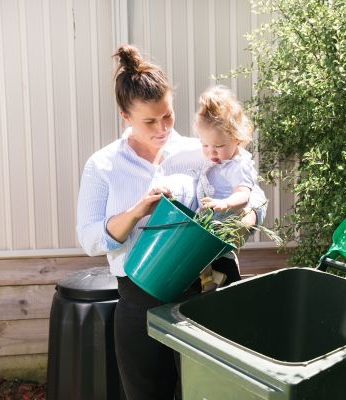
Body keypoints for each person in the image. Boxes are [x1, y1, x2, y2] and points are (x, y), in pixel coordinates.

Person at [76, 44, 267, 400]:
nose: (162, 128)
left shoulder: (204, 147)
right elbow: (89, 238)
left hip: (210, 290)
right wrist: (137, 211)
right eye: (149, 121)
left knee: (215, 394)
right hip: (142, 293)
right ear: (125, 117)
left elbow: (254, 195)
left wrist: (247, 217)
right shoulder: (103, 166)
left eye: (168, 116)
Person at [193, 85, 258, 292]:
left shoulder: (238, 166)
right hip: (207, 222)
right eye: (205, 145)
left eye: (218, 147)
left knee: (209, 254)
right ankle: (210, 278)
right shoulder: (217, 159)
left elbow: (244, 195)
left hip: (223, 222)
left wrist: (224, 203)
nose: (211, 152)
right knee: (197, 257)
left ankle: (215, 281)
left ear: (237, 139)